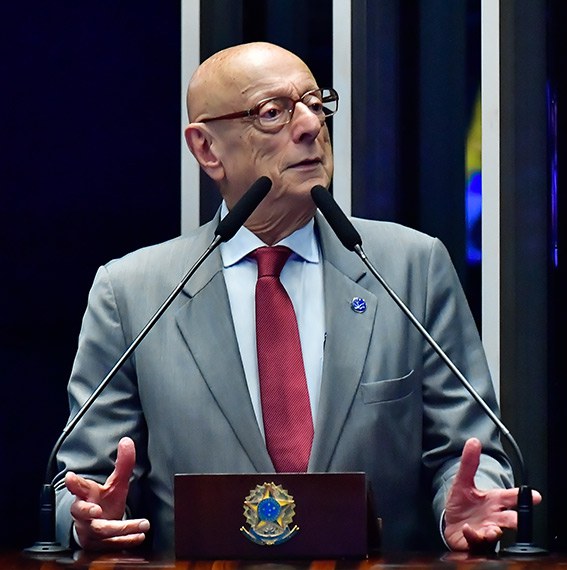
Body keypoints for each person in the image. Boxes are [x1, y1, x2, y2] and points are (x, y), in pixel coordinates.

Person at [54, 41, 539, 554]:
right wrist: (86, 517)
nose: (310, 126)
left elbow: (469, 452)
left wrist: (461, 509)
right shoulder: (132, 291)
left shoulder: (410, 267)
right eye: (273, 112)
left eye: (315, 103)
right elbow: (78, 479)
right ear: (207, 149)